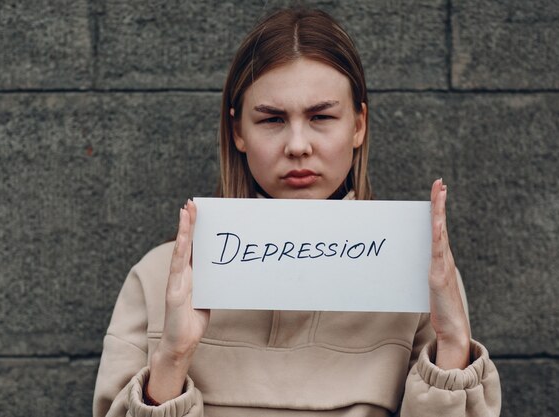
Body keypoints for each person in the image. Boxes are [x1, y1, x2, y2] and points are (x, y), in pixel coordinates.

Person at [93, 7, 501, 417]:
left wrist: (451, 346)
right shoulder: (157, 278)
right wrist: (173, 357)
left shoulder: (421, 278)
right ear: (238, 131)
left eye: (321, 116)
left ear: (358, 124)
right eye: (272, 119)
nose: (298, 145)